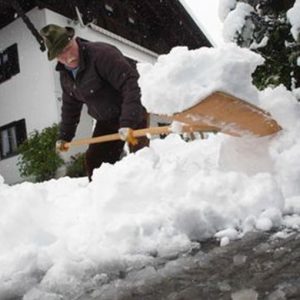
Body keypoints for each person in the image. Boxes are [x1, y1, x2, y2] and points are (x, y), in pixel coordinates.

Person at [40, 24, 149, 181]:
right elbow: (70, 108)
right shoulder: (66, 76)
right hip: (106, 121)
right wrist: (65, 136)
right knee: (95, 162)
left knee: (140, 157)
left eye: (68, 48)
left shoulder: (102, 54)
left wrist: (128, 122)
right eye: (61, 54)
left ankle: (149, 191)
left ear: (74, 39)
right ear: (55, 57)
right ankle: (106, 198)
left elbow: (129, 84)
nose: (68, 57)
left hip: (132, 111)